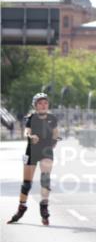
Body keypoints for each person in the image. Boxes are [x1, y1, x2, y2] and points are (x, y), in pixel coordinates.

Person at [8, 93, 59, 226]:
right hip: (32, 150)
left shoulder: (52, 118)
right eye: (40, 103)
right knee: (26, 184)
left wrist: (55, 140)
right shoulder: (31, 118)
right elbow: (26, 131)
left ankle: (44, 207)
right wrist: (31, 136)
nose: (43, 105)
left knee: (45, 180)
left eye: (45, 103)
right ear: (35, 106)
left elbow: (55, 132)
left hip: (46, 151)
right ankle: (22, 207)